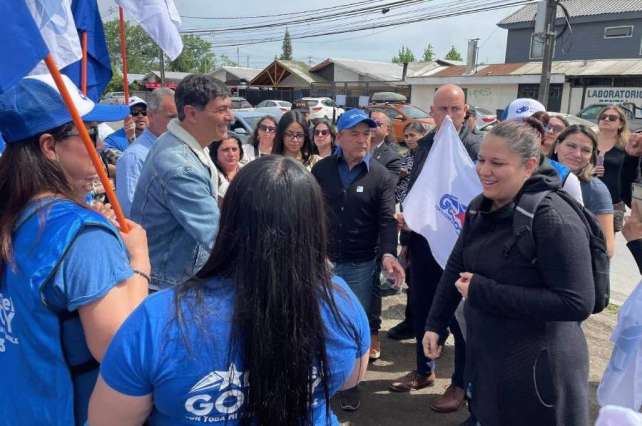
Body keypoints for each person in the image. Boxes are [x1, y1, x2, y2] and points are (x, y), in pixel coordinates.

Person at [88, 156, 370, 426]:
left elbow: (109, 420)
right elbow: (351, 377)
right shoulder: (340, 301)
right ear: (314, 225)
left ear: (229, 219)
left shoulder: (160, 318)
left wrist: (139, 262)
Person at [0, 74, 150, 425]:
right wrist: (139, 260)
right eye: (89, 133)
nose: (99, 146)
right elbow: (118, 348)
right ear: (49, 146)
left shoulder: (14, 214)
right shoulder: (82, 234)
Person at [424, 119, 595, 426]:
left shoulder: (553, 217)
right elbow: (455, 267)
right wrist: (435, 323)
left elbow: (577, 302)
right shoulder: (480, 206)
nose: (484, 170)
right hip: (492, 364)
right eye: (481, 160)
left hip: (539, 376)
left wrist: (483, 291)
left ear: (529, 165)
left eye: (497, 163)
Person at [311, 108, 404, 412]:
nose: (363, 139)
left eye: (367, 133)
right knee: (318, 320)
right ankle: (319, 379)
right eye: (355, 133)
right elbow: (309, 212)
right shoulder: (321, 170)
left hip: (360, 265)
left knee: (353, 323)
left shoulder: (380, 176)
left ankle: (350, 384)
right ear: (339, 137)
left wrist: (389, 254)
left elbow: (387, 220)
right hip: (321, 263)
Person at [391, 85, 477, 414]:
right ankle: (424, 370)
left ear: (465, 111)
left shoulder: (476, 147)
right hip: (425, 244)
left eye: (455, 109)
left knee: (460, 319)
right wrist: (407, 236)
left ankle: (460, 383)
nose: (448, 116)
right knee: (424, 309)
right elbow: (417, 193)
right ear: (432, 111)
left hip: (463, 250)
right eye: (442, 109)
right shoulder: (424, 145)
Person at [131, 74, 232, 289]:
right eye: (221, 110)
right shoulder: (179, 166)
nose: (230, 117)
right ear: (192, 113)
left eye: (229, 108)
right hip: (167, 288)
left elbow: (224, 195)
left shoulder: (190, 147)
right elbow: (216, 237)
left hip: (177, 281)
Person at [387, 121, 429, 342]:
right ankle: (411, 322)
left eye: (414, 135)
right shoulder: (405, 157)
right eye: (407, 135)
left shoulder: (428, 157)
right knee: (411, 278)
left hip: (423, 224)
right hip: (406, 219)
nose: (410, 139)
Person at [503, 98, 585, 205]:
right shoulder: (486, 168)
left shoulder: (565, 177)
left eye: (535, 126)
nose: (526, 132)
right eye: (517, 125)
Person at [551, 125, 615, 256]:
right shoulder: (536, 176)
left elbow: (607, 247)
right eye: (571, 146)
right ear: (557, 146)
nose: (577, 154)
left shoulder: (595, 189)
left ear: (591, 156)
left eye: (586, 150)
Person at [116, 88, 177, 217]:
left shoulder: (178, 147)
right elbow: (131, 210)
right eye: (172, 117)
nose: (178, 123)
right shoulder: (134, 157)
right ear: (151, 116)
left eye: (180, 117)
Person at [595, 105, 640, 232]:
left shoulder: (627, 146)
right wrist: (588, 170)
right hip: (586, 198)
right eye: (603, 117)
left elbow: (634, 173)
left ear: (621, 124)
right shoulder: (588, 142)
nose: (606, 119)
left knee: (606, 241)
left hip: (614, 203)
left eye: (612, 118)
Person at [370, 111, 402, 182]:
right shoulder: (355, 148)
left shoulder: (393, 158)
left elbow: (389, 184)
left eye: (377, 123)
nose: (371, 126)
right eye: (369, 122)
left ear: (387, 131)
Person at [210, 134, 243, 200]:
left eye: (234, 149)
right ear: (215, 152)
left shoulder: (249, 171)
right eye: (225, 150)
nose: (231, 154)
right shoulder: (210, 174)